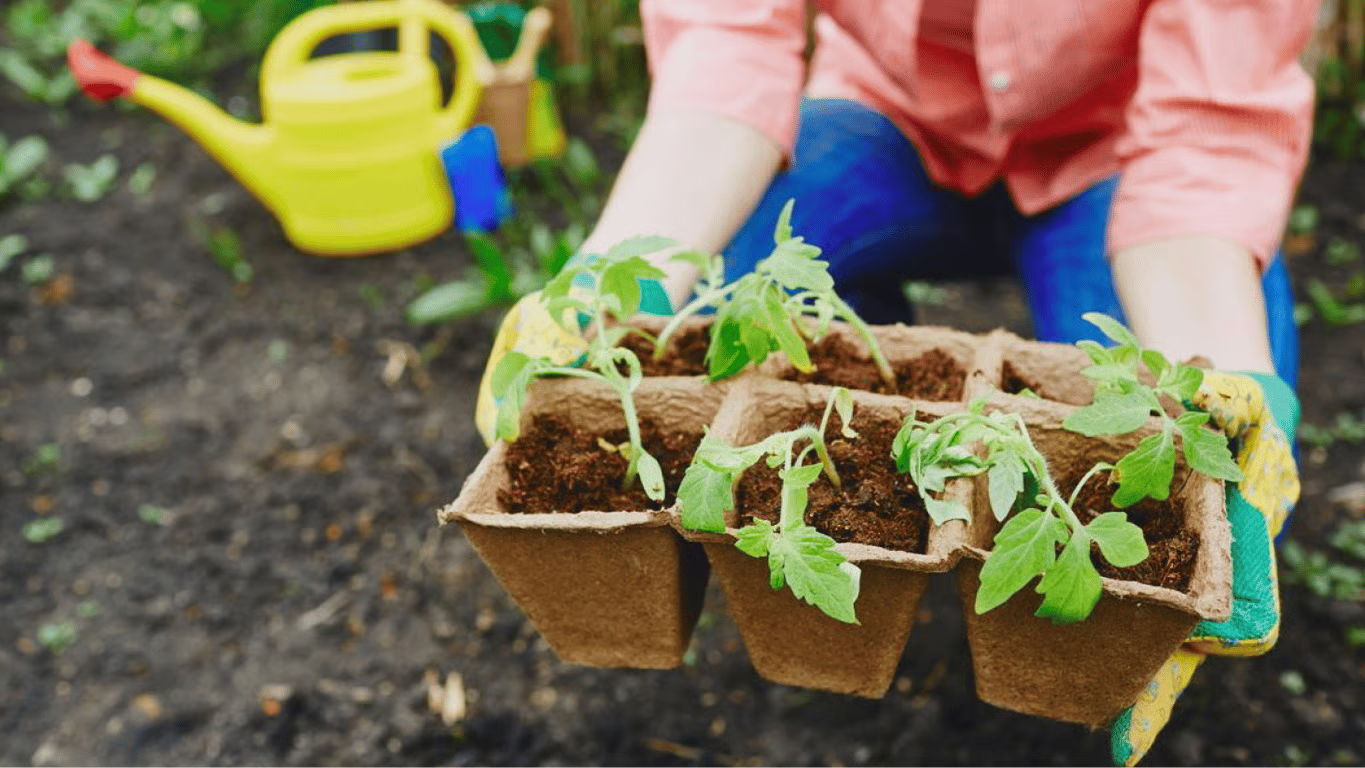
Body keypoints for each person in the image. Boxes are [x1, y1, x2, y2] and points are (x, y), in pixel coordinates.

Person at [476, 2, 1311, 764]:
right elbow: (724, 38)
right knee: (745, 292)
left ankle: (1080, 635)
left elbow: (1209, 124)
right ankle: (872, 541)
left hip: (1120, 149)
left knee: (1162, 428)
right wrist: (614, 274)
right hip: (891, 116)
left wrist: (1224, 367)